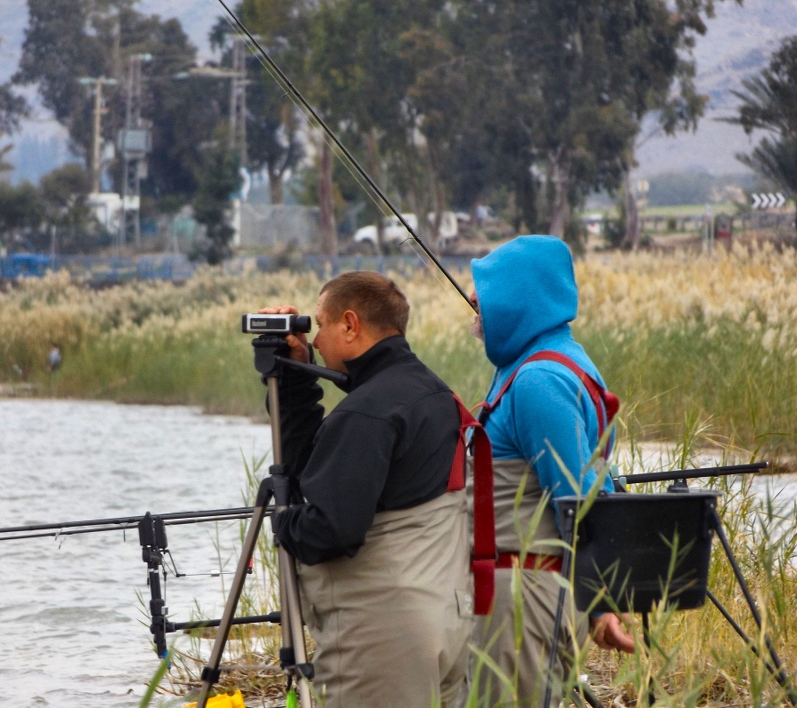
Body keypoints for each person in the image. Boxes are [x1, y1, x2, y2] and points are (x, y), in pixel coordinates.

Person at [261, 271, 472, 708]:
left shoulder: (367, 413)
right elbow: (316, 473)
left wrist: (282, 522)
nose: (315, 340)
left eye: (320, 324)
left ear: (350, 325)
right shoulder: (428, 390)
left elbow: (332, 529)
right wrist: (296, 378)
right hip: (445, 624)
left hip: (384, 641)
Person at [466, 236, 634, 708]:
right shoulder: (539, 364)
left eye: (486, 288)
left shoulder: (539, 380)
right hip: (522, 591)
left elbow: (578, 499)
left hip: (524, 599)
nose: (474, 300)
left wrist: (601, 605)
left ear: (521, 297)